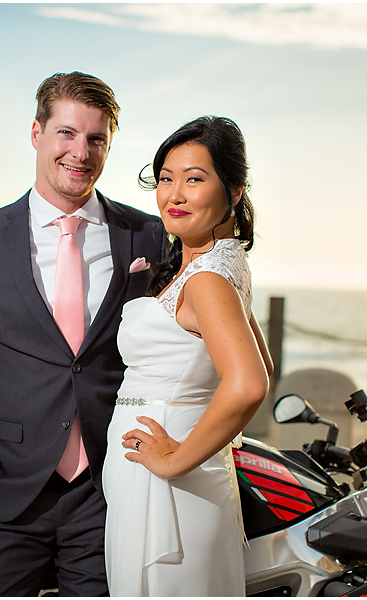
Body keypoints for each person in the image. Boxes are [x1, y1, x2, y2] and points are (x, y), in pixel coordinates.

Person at [0, 72, 163, 596]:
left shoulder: (146, 235)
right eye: (67, 134)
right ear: (36, 133)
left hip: (109, 490)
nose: (81, 152)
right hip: (5, 488)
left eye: (97, 139)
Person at [102, 116, 273, 596]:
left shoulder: (207, 278)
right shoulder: (220, 264)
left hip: (169, 482)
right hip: (170, 467)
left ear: (234, 191)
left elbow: (249, 383)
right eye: (165, 179)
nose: (173, 195)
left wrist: (176, 462)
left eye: (194, 179)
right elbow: (264, 366)